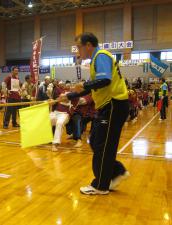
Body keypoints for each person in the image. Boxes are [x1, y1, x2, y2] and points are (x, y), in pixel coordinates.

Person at [60, 32, 130, 195]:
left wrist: (84, 84)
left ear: (89, 45)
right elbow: (94, 86)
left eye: (79, 47)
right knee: (97, 142)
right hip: (108, 106)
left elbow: (105, 80)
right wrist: (69, 95)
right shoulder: (96, 60)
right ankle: (116, 171)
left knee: (102, 145)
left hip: (114, 104)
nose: (77, 51)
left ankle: (101, 185)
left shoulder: (101, 56)